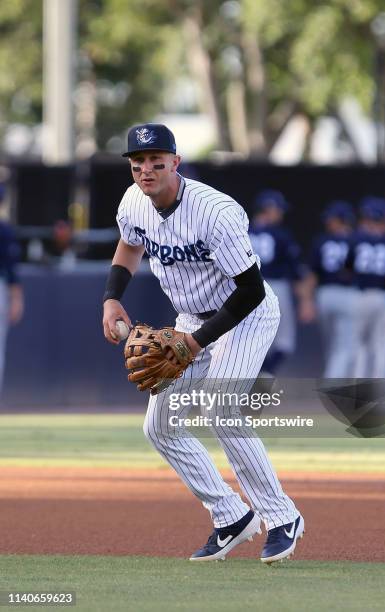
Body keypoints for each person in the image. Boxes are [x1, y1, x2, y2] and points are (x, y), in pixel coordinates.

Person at [102, 123, 304, 563]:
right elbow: (129, 246)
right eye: (139, 164)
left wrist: (194, 344)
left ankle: (282, 516)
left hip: (244, 317)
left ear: (176, 163)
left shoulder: (215, 211)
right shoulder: (134, 201)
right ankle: (231, 515)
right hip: (191, 320)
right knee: (159, 426)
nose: (147, 171)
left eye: (157, 162)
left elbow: (250, 291)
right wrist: (112, 298)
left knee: (220, 407)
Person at [348, 197, 385, 378]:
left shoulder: (355, 240)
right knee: (383, 347)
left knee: (358, 345)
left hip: (358, 296)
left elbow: (346, 269)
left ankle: (357, 390)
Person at [249, 190, 307, 374]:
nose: (281, 214)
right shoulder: (281, 235)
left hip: (244, 288)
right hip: (274, 287)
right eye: (278, 209)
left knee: (250, 340)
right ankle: (263, 375)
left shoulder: (242, 230)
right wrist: (306, 300)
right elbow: (296, 269)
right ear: (269, 209)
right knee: (284, 342)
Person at [305, 201, 356, 378]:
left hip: (325, 295)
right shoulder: (355, 240)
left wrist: (308, 301)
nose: (328, 222)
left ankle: (334, 378)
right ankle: (334, 382)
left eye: (332, 219)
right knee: (344, 346)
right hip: (348, 295)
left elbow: (312, 275)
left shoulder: (322, 241)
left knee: (333, 345)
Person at [0, 184, 24, 396]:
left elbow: (10, 269)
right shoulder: (4, 229)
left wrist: (16, 298)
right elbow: (11, 270)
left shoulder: (4, 230)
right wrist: (17, 298)